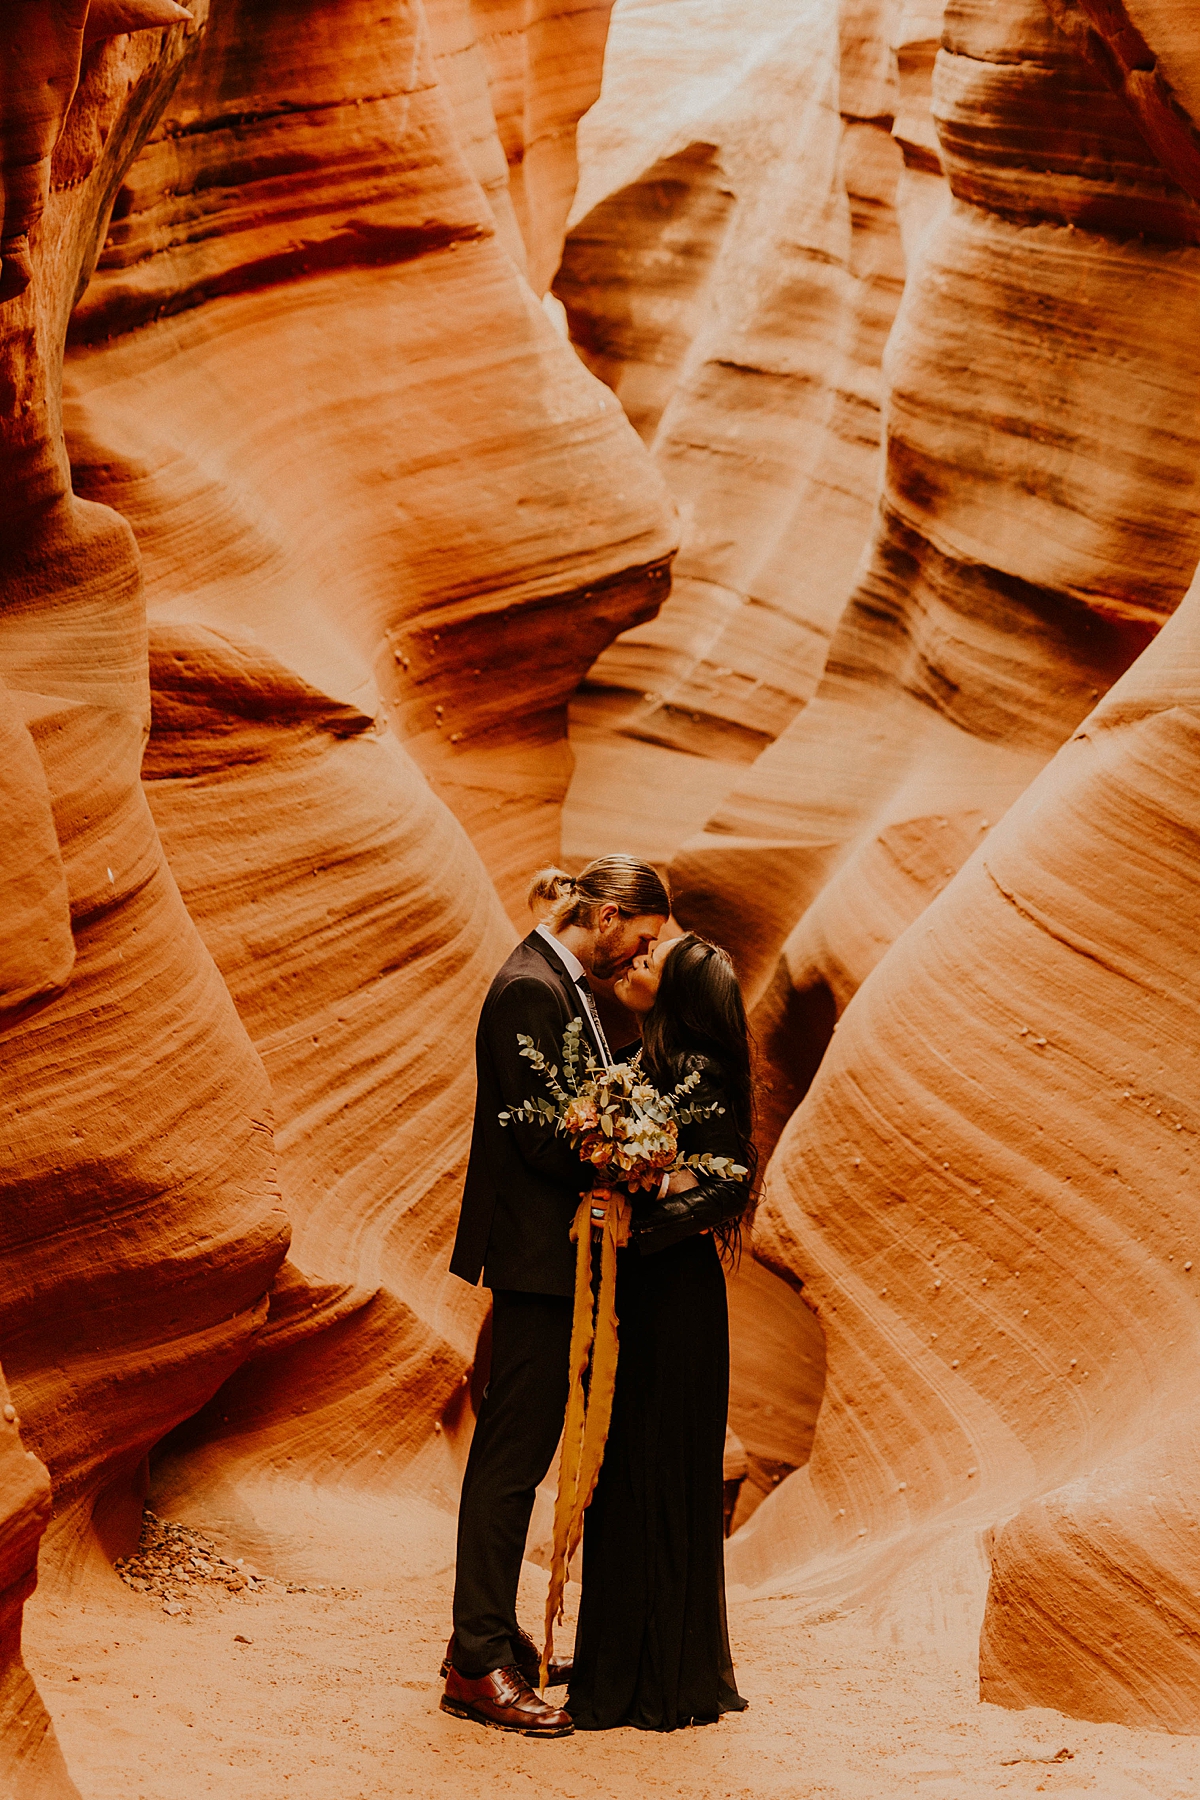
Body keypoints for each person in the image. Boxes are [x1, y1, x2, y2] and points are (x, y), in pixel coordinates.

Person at [441, 855, 672, 1738]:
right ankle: (476, 1664)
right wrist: (629, 1157)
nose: (638, 957)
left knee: (519, 1453)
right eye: (641, 939)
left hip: (553, 1254)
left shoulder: (561, 981)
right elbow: (542, 1135)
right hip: (538, 1257)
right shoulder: (528, 988)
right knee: (511, 1457)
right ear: (607, 915)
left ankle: (488, 1640)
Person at [567, 931, 756, 1732]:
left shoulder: (700, 1070)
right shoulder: (644, 1061)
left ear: (680, 994)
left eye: (652, 963)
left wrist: (638, 1227)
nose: (634, 964)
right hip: (643, 1287)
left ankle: (657, 1676)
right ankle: (621, 1654)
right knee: (626, 1468)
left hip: (674, 1295)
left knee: (657, 1465)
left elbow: (725, 1187)